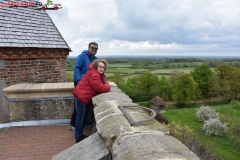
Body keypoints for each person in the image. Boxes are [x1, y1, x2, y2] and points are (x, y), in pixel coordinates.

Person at [72, 59, 111, 143]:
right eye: (100, 67)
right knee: (80, 117)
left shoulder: (96, 74)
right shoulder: (95, 75)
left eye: (103, 67)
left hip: (83, 95)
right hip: (81, 96)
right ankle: (78, 136)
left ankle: (79, 133)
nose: (101, 69)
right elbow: (100, 88)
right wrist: (109, 86)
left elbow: (101, 83)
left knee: (86, 115)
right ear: (96, 67)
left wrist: (105, 84)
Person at [69, 42, 98, 132]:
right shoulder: (82, 56)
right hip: (80, 83)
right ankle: (72, 124)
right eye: (92, 48)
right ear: (88, 48)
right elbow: (76, 67)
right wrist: (79, 80)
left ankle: (84, 122)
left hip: (88, 85)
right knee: (79, 105)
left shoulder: (95, 59)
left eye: (95, 48)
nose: (94, 49)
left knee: (87, 104)